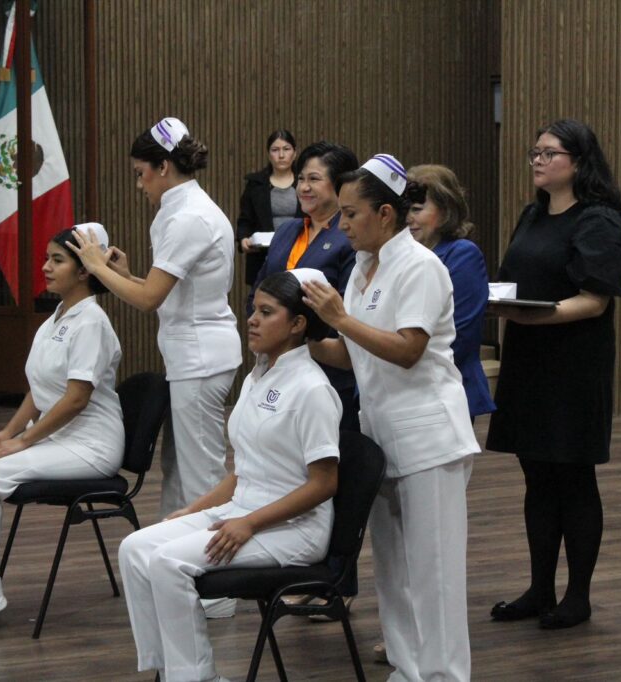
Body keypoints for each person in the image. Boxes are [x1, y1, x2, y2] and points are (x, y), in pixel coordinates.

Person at [303, 154, 481, 682]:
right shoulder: (361, 268)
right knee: (393, 571)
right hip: (381, 434)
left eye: (350, 214)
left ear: (385, 214)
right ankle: (408, 669)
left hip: (430, 441)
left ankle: (444, 676)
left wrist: (339, 319)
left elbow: (407, 350)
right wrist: (303, 340)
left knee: (434, 573)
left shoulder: (421, 266)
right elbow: (352, 354)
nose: (341, 225)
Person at [118, 269, 341, 682]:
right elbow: (246, 469)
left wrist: (249, 523)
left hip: (294, 528)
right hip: (243, 509)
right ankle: (169, 670)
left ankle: (196, 677)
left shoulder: (312, 390)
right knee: (135, 549)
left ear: (297, 324)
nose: (252, 320)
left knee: (167, 562)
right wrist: (194, 509)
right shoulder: (259, 376)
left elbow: (325, 483)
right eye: (253, 309)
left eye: (266, 312)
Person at [0, 225, 124, 635]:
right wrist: (8, 432)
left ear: (84, 270)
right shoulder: (55, 317)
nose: (46, 267)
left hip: (90, 446)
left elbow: (76, 398)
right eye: (47, 258)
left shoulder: (92, 322)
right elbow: (39, 391)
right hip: (55, 437)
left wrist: (24, 441)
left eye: (57, 260)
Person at [485, 119, 621, 630]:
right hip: (528, 359)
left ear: (579, 162)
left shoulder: (598, 220)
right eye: (535, 152)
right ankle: (539, 588)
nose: (538, 161)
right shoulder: (533, 214)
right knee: (536, 476)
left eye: (549, 153)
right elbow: (513, 279)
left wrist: (535, 316)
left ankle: (578, 596)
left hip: (573, 364)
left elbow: (595, 300)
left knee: (573, 477)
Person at [68, 117, 241, 524]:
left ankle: (214, 564)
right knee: (178, 470)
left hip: (201, 359)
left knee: (201, 479)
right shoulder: (178, 209)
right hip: (191, 357)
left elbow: (149, 300)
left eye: (140, 173)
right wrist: (126, 276)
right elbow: (166, 293)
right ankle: (175, 552)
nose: (138, 184)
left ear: (163, 166)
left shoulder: (189, 217)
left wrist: (97, 266)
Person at [249, 140, 360, 432]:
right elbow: (259, 288)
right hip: (276, 368)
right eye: (300, 179)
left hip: (327, 371)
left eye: (314, 179)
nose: (304, 187)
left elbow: (347, 309)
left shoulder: (350, 238)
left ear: (340, 185)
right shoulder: (288, 230)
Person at [407, 164, 495, 420]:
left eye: (417, 209)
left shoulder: (462, 254)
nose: (408, 218)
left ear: (445, 211)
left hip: (444, 389)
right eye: (405, 209)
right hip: (403, 389)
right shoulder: (401, 255)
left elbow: (458, 335)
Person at [235, 129, 301, 285]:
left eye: (286, 149)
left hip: (299, 253)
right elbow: (245, 220)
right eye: (275, 150)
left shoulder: (305, 182)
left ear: (295, 153)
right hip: (263, 256)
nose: (281, 155)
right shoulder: (255, 184)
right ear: (268, 154)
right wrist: (243, 239)